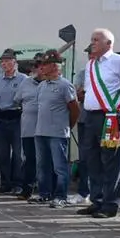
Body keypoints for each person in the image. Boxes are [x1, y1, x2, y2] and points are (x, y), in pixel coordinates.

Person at [77, 29, 120, 218]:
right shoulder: (91, 64)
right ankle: (97, 200)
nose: (92, 43)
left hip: (110, 116)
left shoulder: (119, 61)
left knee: (111, 161)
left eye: (96, 40)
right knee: (92, 160)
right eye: (91, 39)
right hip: (91, 116)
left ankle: (111, 204)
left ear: (108, 43)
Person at [34, 50, 80, 208]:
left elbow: (75, 109)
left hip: (58, 133)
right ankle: (44, 194)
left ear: (53, 66)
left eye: (44, 65)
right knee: (42, 166)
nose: (41, 68)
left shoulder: (65, 85)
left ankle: (61, 196)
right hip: (40, 131)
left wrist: (67, 126)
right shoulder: (41, 86)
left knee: (60, 167)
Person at [0, 48, 27, 195]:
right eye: (2, 61)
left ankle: (18, 183)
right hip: (1, 119)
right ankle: (5, 183)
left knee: (18, 154)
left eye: (7, 61)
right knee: (3, 154)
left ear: (14, 62)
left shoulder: (23, 79)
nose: (4, 64)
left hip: (17, 119)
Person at [14, 54, 45, 200]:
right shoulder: (25, 83)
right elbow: (18, 101)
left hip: (46, 129)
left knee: (46, 160)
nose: (40, 69)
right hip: (28, 129)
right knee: (30, 159)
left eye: (41, 66)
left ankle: (47, 190)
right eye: (37, 67)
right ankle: (27, 189)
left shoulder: (53, 83)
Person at [70, 47, 92, 205]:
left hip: (105, 119)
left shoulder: (109, 69)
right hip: (85, 119)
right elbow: (77, 94)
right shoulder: (83, 73)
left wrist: (87, 92)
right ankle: (84, 192)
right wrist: (85, 92)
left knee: (101, 158)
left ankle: (100, 192)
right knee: (84, 158)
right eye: (89, 53)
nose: (91, 55)